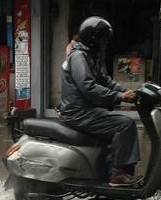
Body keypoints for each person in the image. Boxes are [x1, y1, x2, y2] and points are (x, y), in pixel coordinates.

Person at [58, 17, 139, 187]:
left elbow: (105, 80)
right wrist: (118, 97)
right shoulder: (79, 57)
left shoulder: (90, 56)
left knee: (118, 124)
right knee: (124, 124)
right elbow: (89, 87)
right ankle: (117, 175)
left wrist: (127, 92)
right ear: (93, 39)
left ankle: (114, 170)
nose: (105, 44)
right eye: (103, 39)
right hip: (79, 112)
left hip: (86, 110)